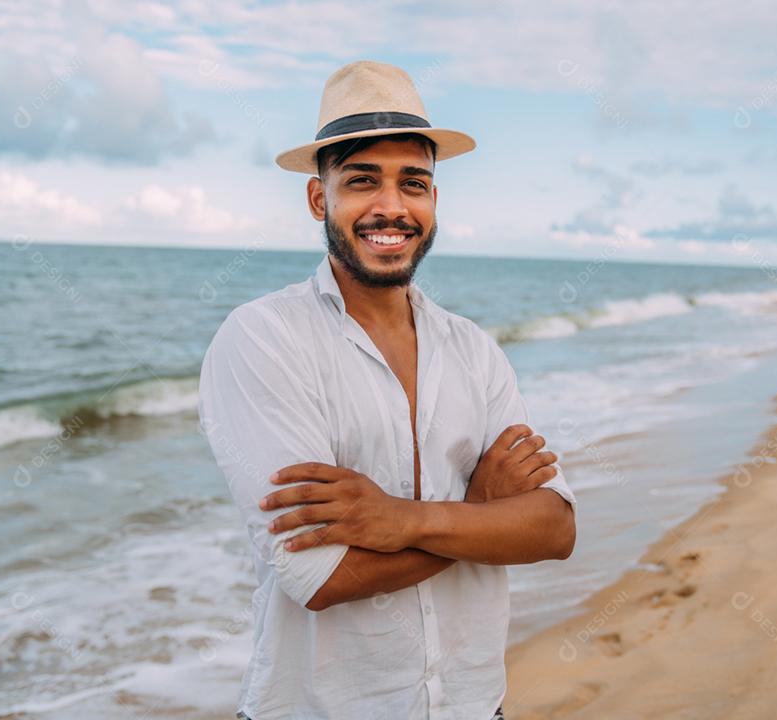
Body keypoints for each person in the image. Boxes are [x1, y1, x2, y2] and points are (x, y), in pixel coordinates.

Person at [198, 59, 577, 720]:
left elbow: (553, 528)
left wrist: (407, 518)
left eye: (414, 183)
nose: (391, 208)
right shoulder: (262, 340)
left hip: (472, 704)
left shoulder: (474, 350)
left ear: (434, 200)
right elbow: (322, 576)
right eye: (362, 181)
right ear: (320, 200)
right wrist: (481, 510)